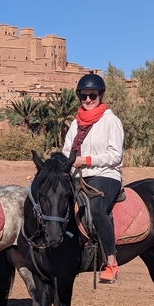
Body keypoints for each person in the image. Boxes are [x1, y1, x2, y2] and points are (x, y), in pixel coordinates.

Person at [63, 74, 124, 284]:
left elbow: (116, 156)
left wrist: (86, 160)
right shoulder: (75, 124)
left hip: (105, 175)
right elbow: (66, 152)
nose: (88, 100)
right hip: (78, 175)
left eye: (92, 96)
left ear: (101, 96)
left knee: (97, 208)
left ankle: (111, 261)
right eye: (84, 96)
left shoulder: (111, 121)